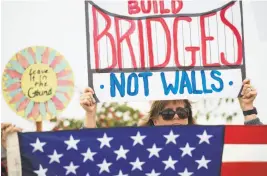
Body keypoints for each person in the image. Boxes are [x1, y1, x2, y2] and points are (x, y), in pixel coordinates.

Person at [80, 79, 263, 128]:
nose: (176, 116)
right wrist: (90, 114)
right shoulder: (136, 145)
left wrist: (247, 107)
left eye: (182, 112)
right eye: (167, 114)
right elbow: (93, 153)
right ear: (155, 120)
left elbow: (256, 150)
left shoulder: (205, 141)